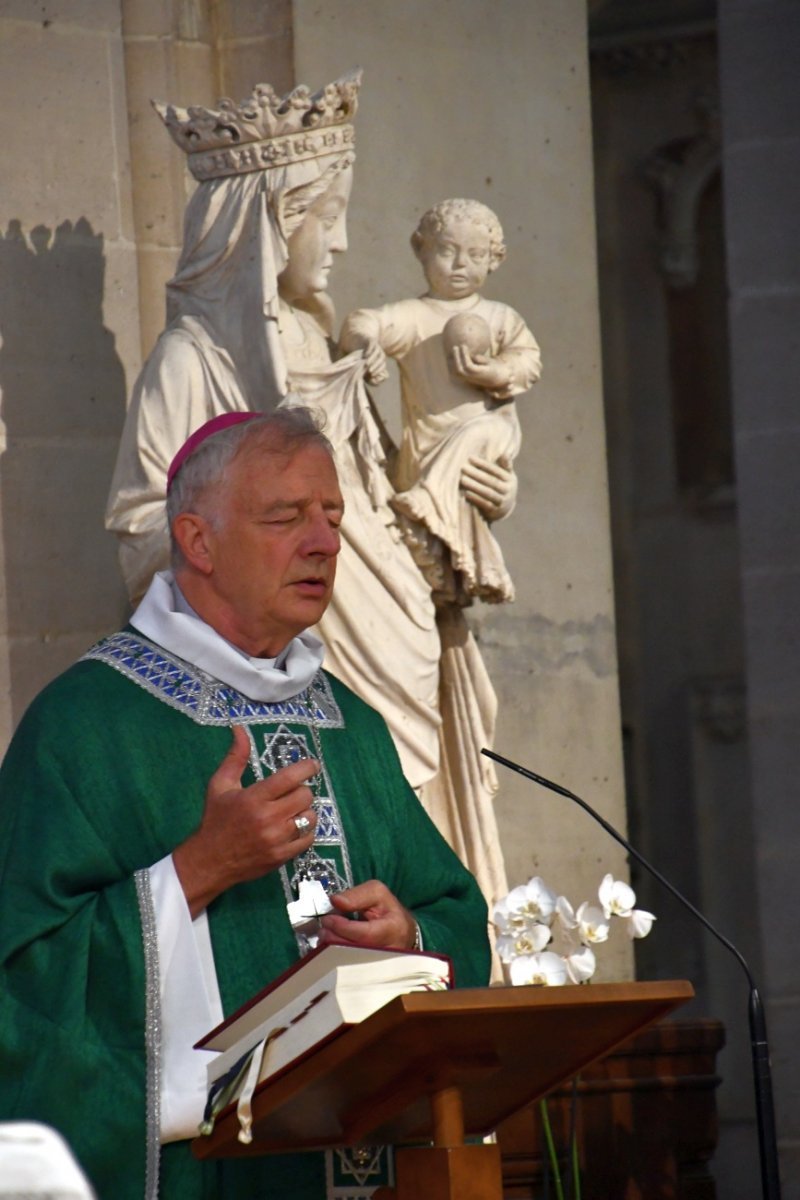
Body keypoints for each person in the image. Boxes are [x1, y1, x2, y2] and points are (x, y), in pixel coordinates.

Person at [0, 409, 491, 1200]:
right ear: (198, 542)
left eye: (331, 516)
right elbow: (22, 978)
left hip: (364, 1161)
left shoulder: (351, 725)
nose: (325, 542)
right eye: (285, 517)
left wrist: (413, 940)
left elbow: (453, 913)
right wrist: (196, 872)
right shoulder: (88, 723)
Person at [105, 71, 512, 925]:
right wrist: (241, 550)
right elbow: (146, 529)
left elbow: (370, 490)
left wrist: (454, 492)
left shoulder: (315, 334)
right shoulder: (194, 359)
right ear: (268, 224)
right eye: (325, 216)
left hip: (385, 630)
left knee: (401, 821)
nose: (340, 240)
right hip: (260, 673)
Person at [339, 198, 542, 606]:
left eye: (476, 255)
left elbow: (528, 361)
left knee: (480, 429)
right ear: (421, 250)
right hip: (426, 457)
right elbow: (363, 322)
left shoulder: (501, 317)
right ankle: (478, 569)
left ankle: (429, 504)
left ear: (494, 260)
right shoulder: (415, 317)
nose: (460, 265)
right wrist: (365, 344)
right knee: (438, 572)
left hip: (490, 440)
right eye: (447, 251)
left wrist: (496, 373)